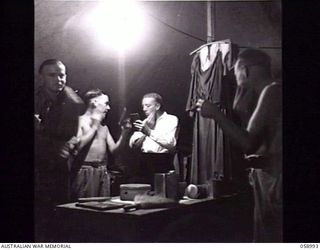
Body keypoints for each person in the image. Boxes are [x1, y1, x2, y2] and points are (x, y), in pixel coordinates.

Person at [196, 49, 282, 242]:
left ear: (245, 70)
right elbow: (258, 141)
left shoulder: (272, 91)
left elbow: (248, 143)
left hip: (275, 180)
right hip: (267, 178)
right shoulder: (270, 92)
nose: (236, 79)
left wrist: (217, 115)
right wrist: (240, 111)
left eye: (236, 72)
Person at [34, 59, 85, 206]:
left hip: (60, 168)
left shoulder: (73, 102)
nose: (58, 79)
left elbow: (77, 132)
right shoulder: (36, 100)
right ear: (41, 77)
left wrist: (70, 143)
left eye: (62, 75)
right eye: (52, 75)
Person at [65, 89, 131, 199]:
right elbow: (76, 147)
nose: (108, 108)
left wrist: (125, 133)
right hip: (85, 171)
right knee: (85, 210)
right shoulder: (80, 121)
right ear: (94, 102)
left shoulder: (104, 127)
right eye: (106, 103)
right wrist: (94, 126)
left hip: (102, 171)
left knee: (102, 209)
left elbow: (114, 151)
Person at [129, 93, 179, 187]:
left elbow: (170, 143)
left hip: (161, 162)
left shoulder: (171, 120)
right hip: (144, 162)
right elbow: (132, 144)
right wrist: (145, 131)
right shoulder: (145, 122)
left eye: (147, 106)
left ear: (157, 106)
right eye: (143, 106)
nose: (144, 109)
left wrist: (149, 131)